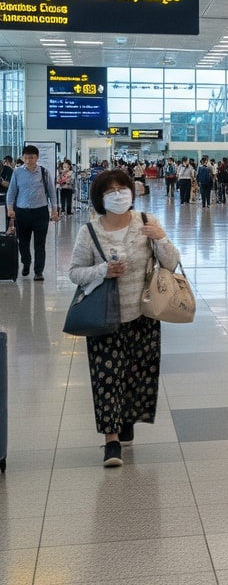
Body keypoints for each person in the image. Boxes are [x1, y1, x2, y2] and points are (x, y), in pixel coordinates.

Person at [67, 169, 181, 468]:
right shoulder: (89, 232)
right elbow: (75, 272)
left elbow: (171, 263)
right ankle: (111, 440)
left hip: (143, 313)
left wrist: (162, 238)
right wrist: (103, 270)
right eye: (110, 190)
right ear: (100, 198)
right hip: (104, 316)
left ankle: (127, 418)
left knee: (136, 375)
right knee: (107, 377)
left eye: (123, 188)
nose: (118, 194)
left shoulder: (146, 223)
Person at [6, 144, 60, 281]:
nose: (29, 160)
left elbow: (52, 193)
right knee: (23, 243)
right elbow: (11, 192)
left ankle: (38, 271)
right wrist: (10, 208)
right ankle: (26, 262)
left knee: (40, 243)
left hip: (40, 213)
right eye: (26, 157)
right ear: (23, 158)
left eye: (31, 157)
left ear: (37, 158)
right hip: (22, 212)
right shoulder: (17, 172)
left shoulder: (44, 172)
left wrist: (54, 210)